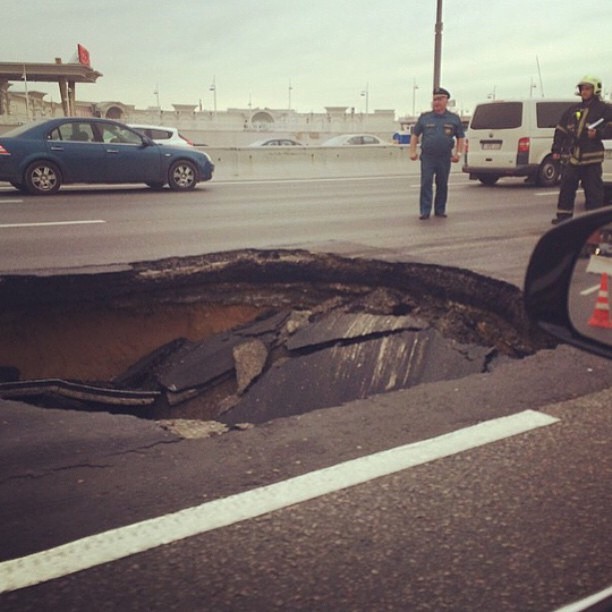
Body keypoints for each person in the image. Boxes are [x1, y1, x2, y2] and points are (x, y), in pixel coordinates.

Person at [551, 75, 612, 224]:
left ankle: (594, 222)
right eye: (582, 89)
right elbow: (561, 129)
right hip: (575, 157)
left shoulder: (605, 109)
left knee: (594, 192)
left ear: (595, 89)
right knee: (566, 187)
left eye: (587, 89)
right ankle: (563, 218)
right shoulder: (573, 109)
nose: (584, 92)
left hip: (592, 157)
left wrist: (598, 134)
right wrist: (556, 149)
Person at [409, 87, 465, 220]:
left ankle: (440, 210)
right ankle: (425, 211)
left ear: (446, 101)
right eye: (434, 99)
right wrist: (412, 151)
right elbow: (415, 135)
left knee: (442, 184)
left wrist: (458, 154)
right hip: (428, 157)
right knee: (426, 183)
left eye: (440, 99)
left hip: (444, 157)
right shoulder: (425, 117)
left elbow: (461, 137)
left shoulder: (454, 119)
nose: (436, 102)